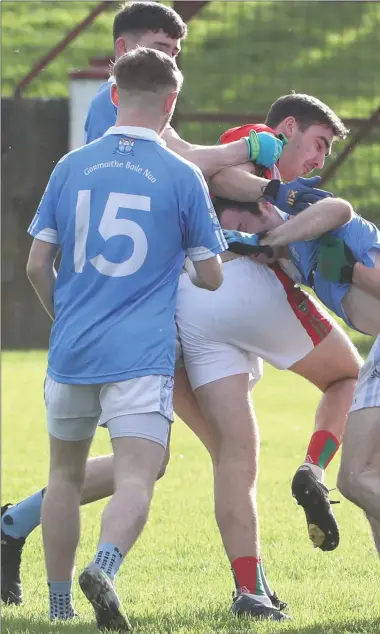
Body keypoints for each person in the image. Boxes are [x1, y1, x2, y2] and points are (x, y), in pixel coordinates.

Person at [0, 93, 354, 616]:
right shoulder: (253, 144)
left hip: (169, 312)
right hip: (214, 291)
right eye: (319, 143)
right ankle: (310, 476)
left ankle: (17, 522)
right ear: (288, 127)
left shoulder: (113, 153)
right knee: (345, 376)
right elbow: (216, 175)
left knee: (174, 460)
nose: (320, 159)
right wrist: (280, 208)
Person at [25, 48, 227, 629]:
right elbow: (211, 275)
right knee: (139, 472)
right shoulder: (182, 174)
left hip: (72, 350)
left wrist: (61, 315)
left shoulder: (71, 166)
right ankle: (105, 568)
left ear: (113, 96)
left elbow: (38, 263)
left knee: (63, 477)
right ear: (171, 104)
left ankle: (59, 608)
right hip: (140, 354)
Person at [217, 191, 380, 552]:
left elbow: (340, 208)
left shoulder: (302, 217)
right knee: (370, 477)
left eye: (245, 229)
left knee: (355, 480)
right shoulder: (287, 258)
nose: (249, 244)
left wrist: (268, 237)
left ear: (263, 208)